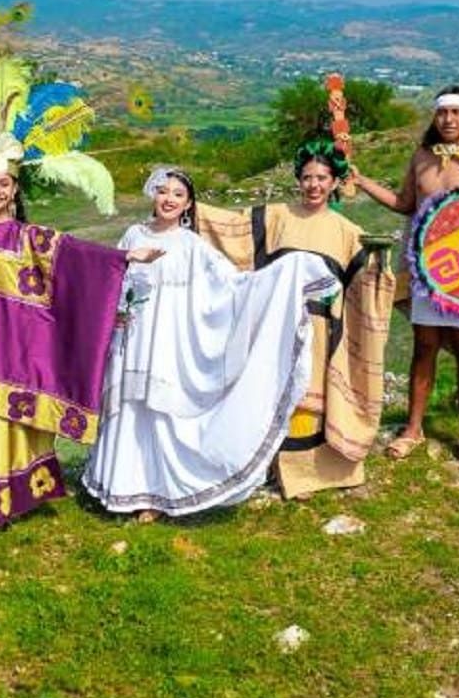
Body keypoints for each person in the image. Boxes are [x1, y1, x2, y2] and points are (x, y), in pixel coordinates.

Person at [0, 3, 157, 528]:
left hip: (12, 352)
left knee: (4, 423)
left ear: (15, 189)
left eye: (4, 184)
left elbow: (79, 259)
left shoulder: (31, 237)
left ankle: (9, 498)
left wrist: (125, 257)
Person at [83, 166, 335, 518]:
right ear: (153, 195)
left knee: (159, 413)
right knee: (129, 409)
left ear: (187, 205)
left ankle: (156, 495)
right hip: (132, 339)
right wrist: (115, 310)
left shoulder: (191, 245)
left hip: (169, 345)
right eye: (163, 191)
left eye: (178, 195)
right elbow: (113, 278)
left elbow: (232, 287)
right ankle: (120, 485)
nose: (169, 199)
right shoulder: (132, 234)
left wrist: (287, 273)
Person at [195, 139, 397, 496]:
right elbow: (230, 233)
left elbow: (362, 288)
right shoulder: (275, 217)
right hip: (276, 327)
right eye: (307, 177)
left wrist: (380, 270)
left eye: (322, 177)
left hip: (321, 332)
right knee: (272, 391)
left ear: (335, 182)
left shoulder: (348, 232)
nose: (314, 185)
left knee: (309, 397)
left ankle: (310, 474)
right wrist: (184, 207)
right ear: (298, 179)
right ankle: (266, 468)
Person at [350, 87, 459, 470]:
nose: (449, 120)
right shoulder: (421, 157)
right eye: (443, 113)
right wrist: (362, 181)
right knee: (423, 346)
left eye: (458, 113)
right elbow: (405, 204)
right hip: (426, 267)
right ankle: (413, 429)